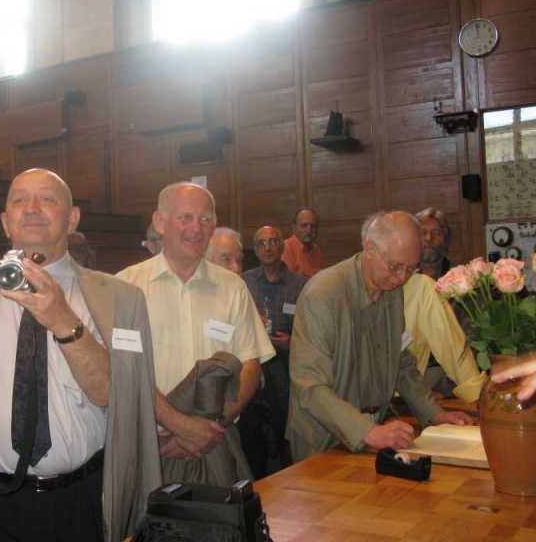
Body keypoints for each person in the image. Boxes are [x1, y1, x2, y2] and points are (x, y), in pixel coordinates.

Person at [0, 168, 160, 542]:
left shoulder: (119, 298)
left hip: (77, 502)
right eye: (19, 200)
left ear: (72, 219)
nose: (31, 208)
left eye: (47, 199)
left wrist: (63, 320)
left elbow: (114, 395)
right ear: (5, 221)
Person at [118, 182, 274, 486]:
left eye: (205, 219)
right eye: (185, 218)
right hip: (149, 445)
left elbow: (250, 366)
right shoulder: (126, 287)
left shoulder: (233, 287)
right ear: (160, 222)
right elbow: (121, 372)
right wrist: (180, 426)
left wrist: (207, 428)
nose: (196, 228)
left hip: (217, 442)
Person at [287, 211, 473, 463]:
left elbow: (400, 361)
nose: (402, 278)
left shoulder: (392, 288)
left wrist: (433, 413)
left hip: (375, 431)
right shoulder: (322, 295)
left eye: (411, 269)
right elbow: (310, 387)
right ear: (369, 249)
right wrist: (367, 432)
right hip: (323, 440)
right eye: (395, 267)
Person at [240, 225, 307, 476]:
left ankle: (286, 474)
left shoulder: (300, 284)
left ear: (282, 246)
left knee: (283, 428)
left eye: (273, 242)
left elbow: (311, 329)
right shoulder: (244, 281)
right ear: (255, 249)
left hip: (286, 364)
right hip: (253, 364)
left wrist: (293, 341)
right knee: (252, 429)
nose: (268, 247)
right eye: (261, 243)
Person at [403, 273, 486, 401]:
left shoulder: (420, 287)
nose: (401, 275)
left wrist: (475, 395)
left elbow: (452, 348)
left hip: (405, 395)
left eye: (409, 268)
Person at [282, 208, 323, 278]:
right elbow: (288, 281)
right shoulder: (285, 248)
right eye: (304, 226)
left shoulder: (316, 250)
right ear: (294, 228)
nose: (309, 230)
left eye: (313, 226)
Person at [415, 207, 453, 280]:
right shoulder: (402, 277)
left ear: (446, 238)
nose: (429, 238)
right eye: (423, 232)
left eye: (436, 232)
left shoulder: (461, 277)